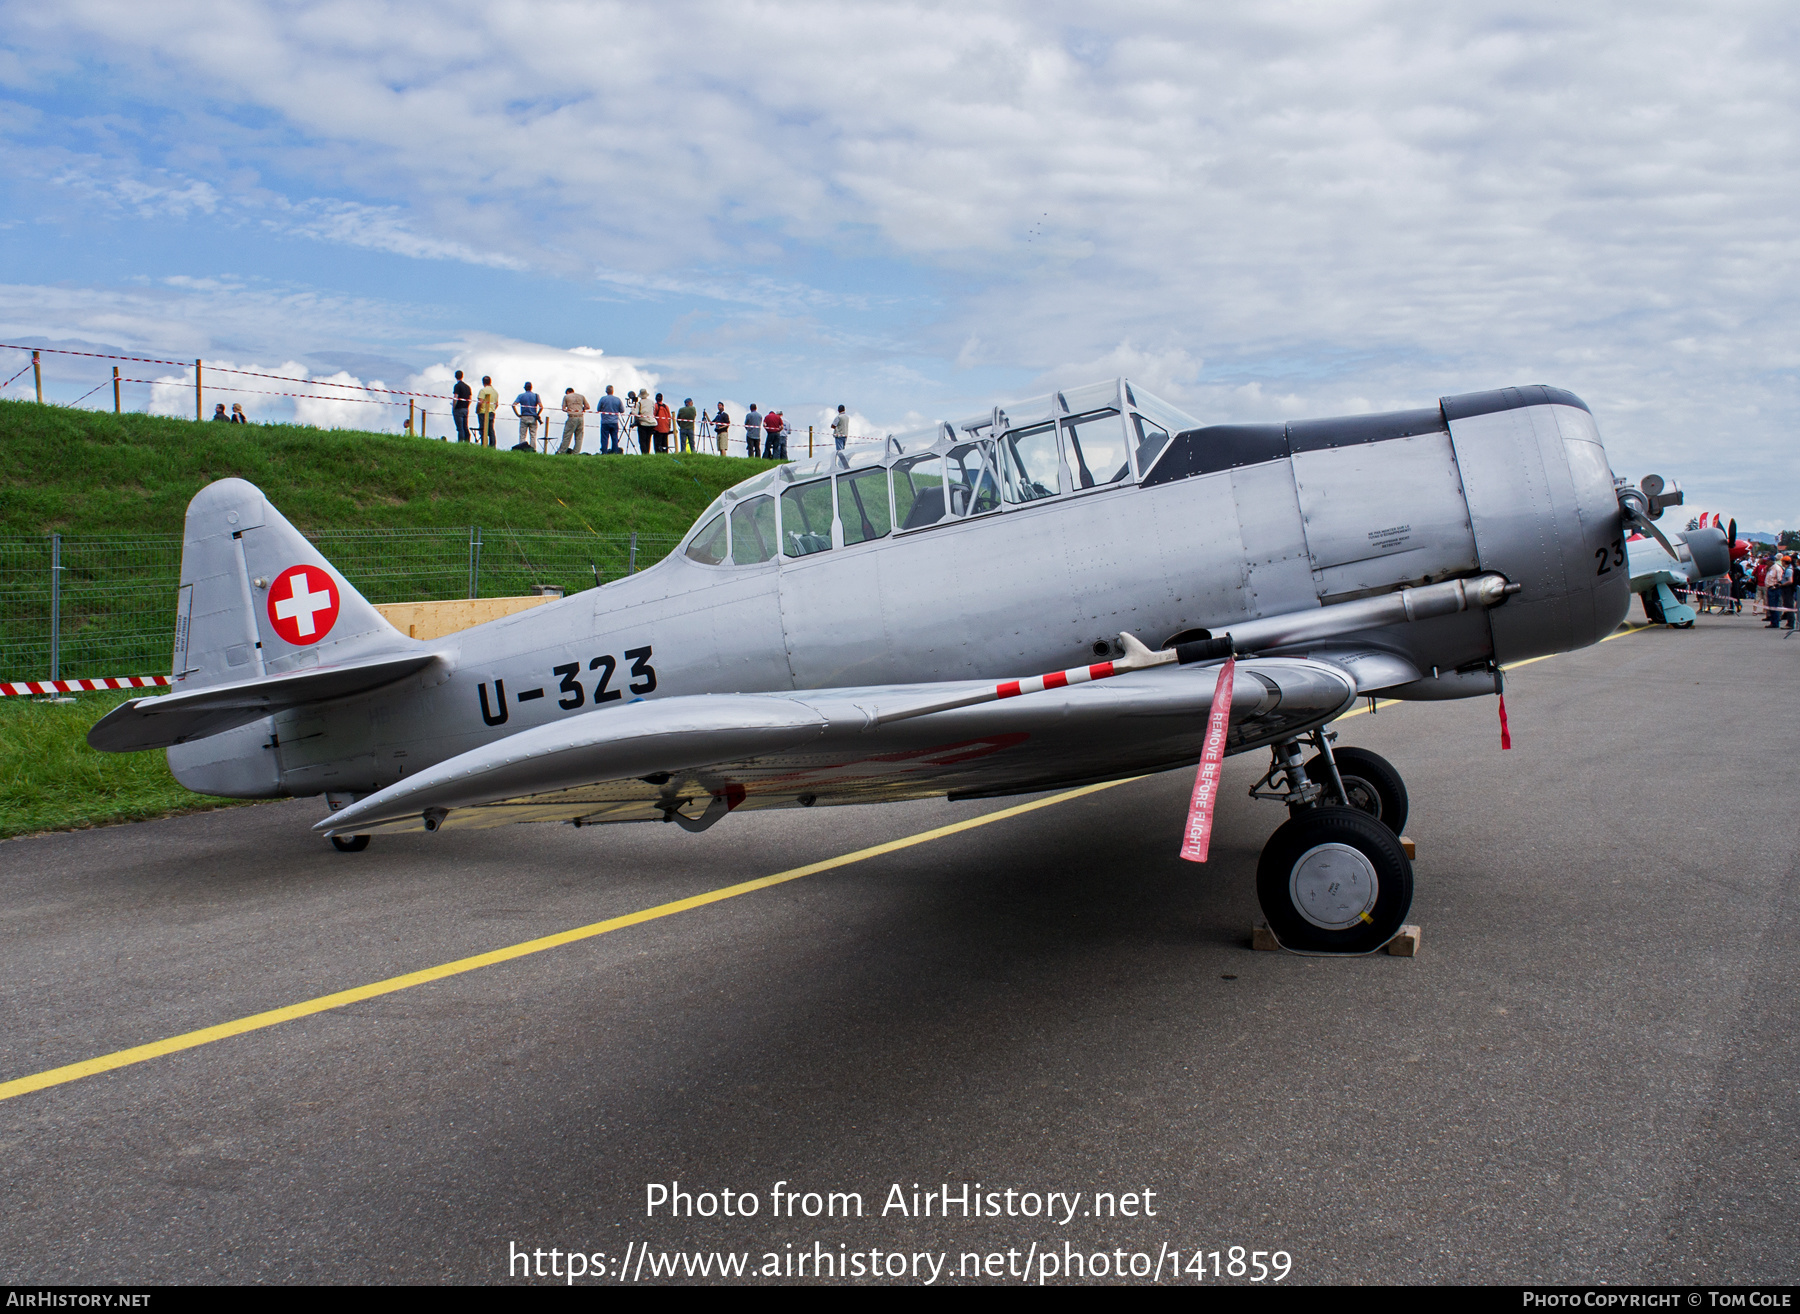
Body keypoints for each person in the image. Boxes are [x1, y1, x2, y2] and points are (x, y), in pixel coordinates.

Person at [558, 386, 589, 454]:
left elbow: (563, 408)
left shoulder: (566, 396)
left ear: (568, 392)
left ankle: (562, 451)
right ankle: (576, 453)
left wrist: (568, 410)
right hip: (581, 417)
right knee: (579, 436)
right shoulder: (581, 396)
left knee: (567, 435)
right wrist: (581, 409)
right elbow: (587, 406)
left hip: (572, 417)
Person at [513, 382, 542, 450]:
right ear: (531, 387)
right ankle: (533, 449)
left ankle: (522, 449)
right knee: (533, 435)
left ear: (525, 388)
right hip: (533, 417)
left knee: (522, 435)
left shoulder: (521, 396)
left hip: (524, 416)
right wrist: (537, 414)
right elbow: (541, 407)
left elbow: (513, 405)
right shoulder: (536, 395)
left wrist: (517, 414)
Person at [597, 384, 625, 454]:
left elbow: (598, 409)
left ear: (606, 391)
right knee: (614, 438)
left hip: (605, 422)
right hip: (614, 422)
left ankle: (604, 452)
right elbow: (622, 410)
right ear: (613, 391)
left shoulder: (603, 399)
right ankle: (615, 452)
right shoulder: (617, 399)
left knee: (604, 438)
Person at [476, 376, 499, 446]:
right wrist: (493, 409)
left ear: (483, 382)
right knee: (491, 429)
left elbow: (480, 402)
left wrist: (477, 410)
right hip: (492, 412)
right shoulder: (495, 392)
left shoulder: (483, 391)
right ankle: (492, 445)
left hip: (483, 412)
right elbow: (496, 404)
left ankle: (484, 444)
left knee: (483, 429)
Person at [451, 369, 473, 442]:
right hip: (466, 409)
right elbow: (470, 399)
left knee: (460, 428)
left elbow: (455, 397)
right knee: (465, 426)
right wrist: (467, 406)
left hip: (459, 409)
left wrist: (454, 407)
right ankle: (467, 441)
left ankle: (460, 442)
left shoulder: (457, 386)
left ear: (455, 377)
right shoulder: (467, 387)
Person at [635, 388, 656, 454]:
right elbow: (654, 410)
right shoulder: (651, 402)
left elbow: (635, 413)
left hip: (643, 423)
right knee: (648, 440)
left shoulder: (639, 403)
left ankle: (644, 453)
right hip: (651, 423)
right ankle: (648, 452)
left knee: (642, 440)